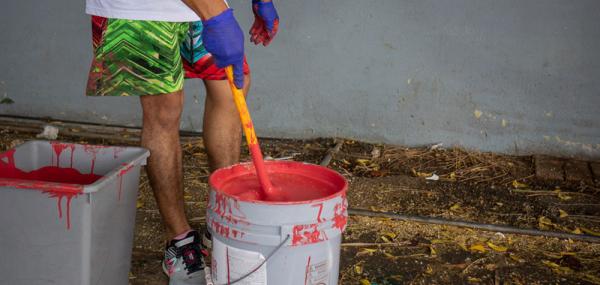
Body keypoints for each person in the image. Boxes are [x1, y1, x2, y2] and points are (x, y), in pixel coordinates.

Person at [84, 0, 279, 283]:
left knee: (232, 86)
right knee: (163, 108)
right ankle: (179, 240)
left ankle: (220, 219)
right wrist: (217, 19)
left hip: (203, 7)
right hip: (140, 11)